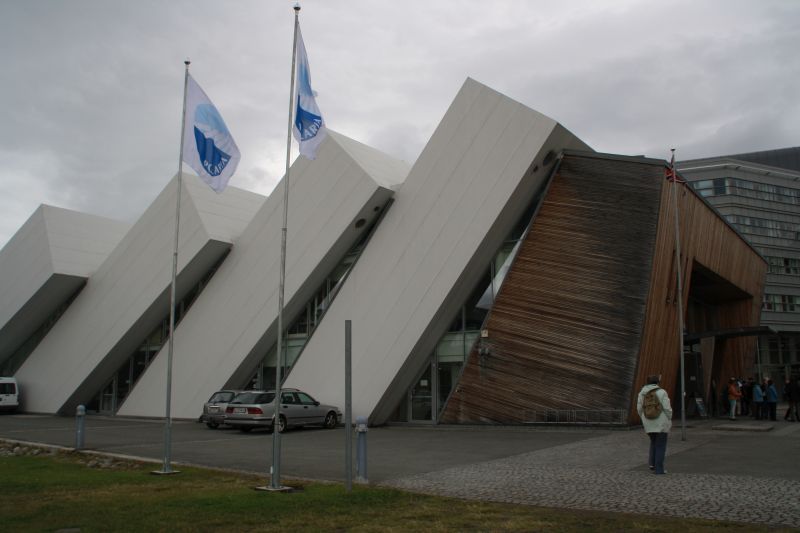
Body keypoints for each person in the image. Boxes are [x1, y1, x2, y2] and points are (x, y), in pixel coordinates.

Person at [637, 374, 672, 475]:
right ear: (657, 382)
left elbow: (639, 409)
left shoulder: (641, 393)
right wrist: (669, 418)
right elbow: (667, 408)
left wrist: (644, 419)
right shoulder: (662, 392)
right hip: (661, 423)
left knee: (654, 442)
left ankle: (652, 465)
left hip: (648, 422)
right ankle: (659, 470)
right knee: (660, 445)